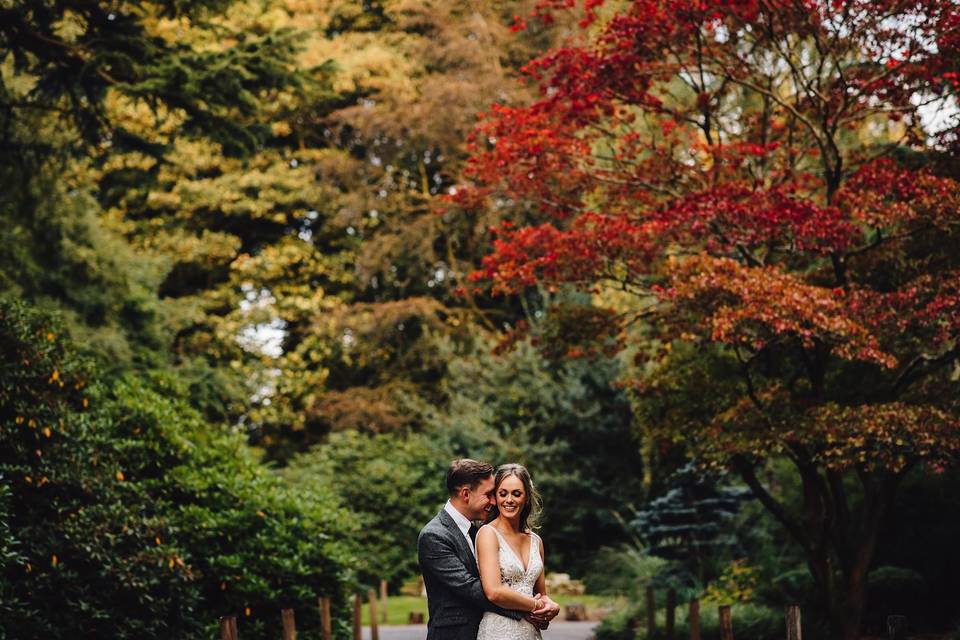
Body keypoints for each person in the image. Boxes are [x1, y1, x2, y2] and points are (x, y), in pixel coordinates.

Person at [418, 459, 559, 640]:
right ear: (466, 494)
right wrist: (533, 607)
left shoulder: (479, 530)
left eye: (516, 493)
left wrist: (543, 611)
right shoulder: (435, 535)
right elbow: (473, 588)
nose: (494, 501)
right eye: (490, 494)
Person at [475, 463, 558, 640]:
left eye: (516, 494)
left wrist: (550, 610)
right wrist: (536, 605)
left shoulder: (536, 541)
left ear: (526, 497)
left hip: (531, 633)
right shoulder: (488, 534)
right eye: (503, 494)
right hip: (498, 632)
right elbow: (494, 592)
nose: (509, 500)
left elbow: (542, 594)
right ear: (495, 497)